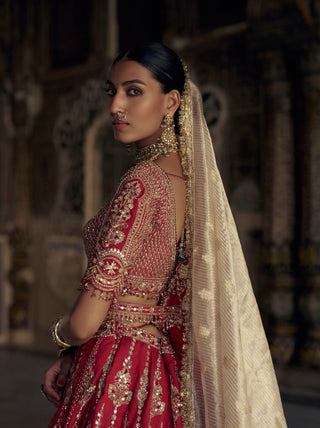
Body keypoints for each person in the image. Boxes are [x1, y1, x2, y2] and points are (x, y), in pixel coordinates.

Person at [42, 42, 287, 427]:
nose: (115, 106)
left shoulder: (143, 182)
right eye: (113, 91)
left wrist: (62, 337)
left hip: (114, 364)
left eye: (133, 91)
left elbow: (85, 323)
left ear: (171, 101)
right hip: (155, 363)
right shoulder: (188, 182)